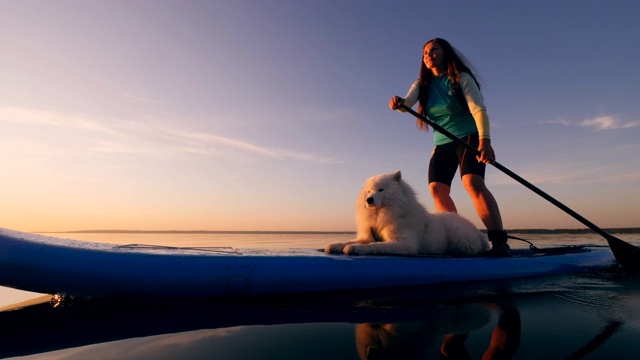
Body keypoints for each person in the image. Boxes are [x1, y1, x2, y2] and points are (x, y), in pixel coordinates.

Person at [389, 37, 510, 256]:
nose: (428, 54)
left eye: (434, 49)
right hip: (442, 143)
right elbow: (406, 105)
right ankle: (455, 238)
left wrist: (486, 142)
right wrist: (399, 103)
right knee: (437, 189)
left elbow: (478, 110)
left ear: (446, 53)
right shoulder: (422, 84)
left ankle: (499, 242)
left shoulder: (461, 78)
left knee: (472, 182)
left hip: (469, 137)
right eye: (425, 52)